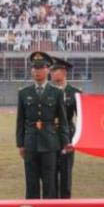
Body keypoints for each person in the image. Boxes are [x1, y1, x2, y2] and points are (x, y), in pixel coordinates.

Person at [16, 52, 66, 197]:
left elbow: (62, 120)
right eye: (34, 68)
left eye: (40, 68)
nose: (37, 71)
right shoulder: (24, 92)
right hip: (30, 142)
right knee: (31, 181)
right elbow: (20, 120)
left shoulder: (56, 92)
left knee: (50, 181)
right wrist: (20, 144)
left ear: (47, 70)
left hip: (50, 142)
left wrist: (65, 142)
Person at [49, 57, 80, 198]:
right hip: (50, 135)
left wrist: (77, 139)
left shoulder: (74, 92)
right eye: (51, 70)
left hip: (68, 135)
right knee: (51, 171)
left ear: (64, 72)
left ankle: (66, 202)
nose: (51, 73)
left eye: (54, 70)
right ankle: (52, 201)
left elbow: (81, 117)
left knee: (66, 171)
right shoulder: (48, 91)